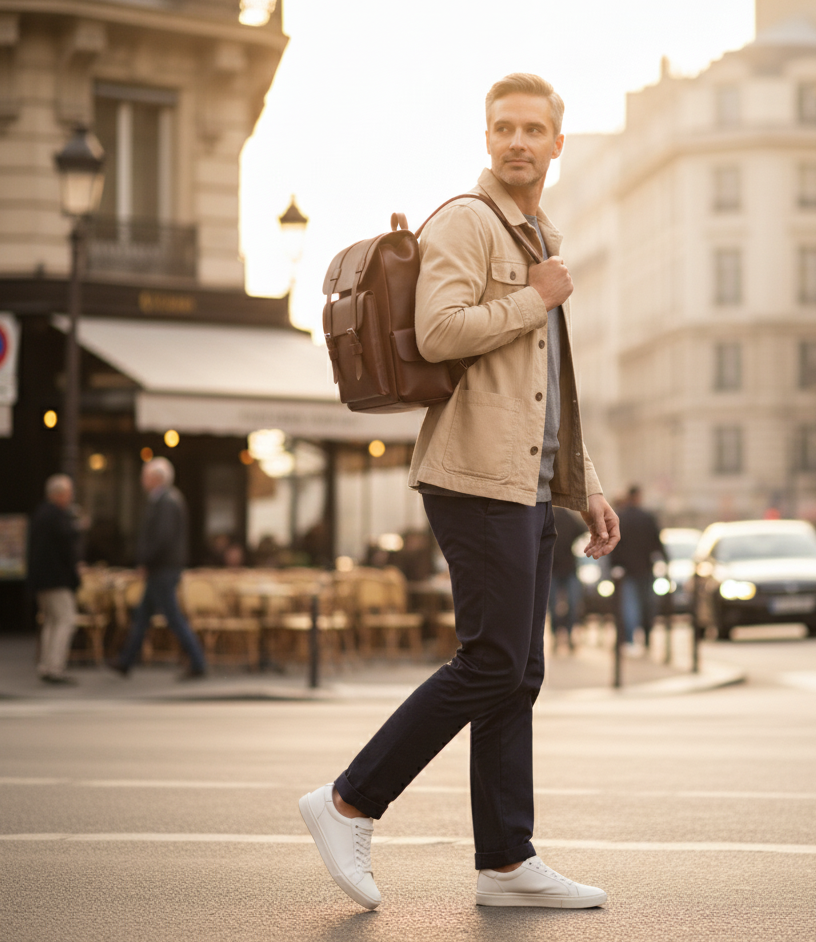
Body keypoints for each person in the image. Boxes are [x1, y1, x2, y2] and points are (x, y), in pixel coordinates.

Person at [298, 73, 620, 911]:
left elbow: (544, 388)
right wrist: (532, 299)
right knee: (492, 662)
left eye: (533, 129)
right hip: (474, 477)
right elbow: (439, 332)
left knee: (519, 673)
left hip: (524, 484)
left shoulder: (537, 234)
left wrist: (585, 486)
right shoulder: (469, 223)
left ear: (557, 142)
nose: (518, 141)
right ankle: (349, 801)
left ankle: (506, 864)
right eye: (503, 127)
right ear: (487, 138)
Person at [110, 457, 206, 680]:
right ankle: (126, 661)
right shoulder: (165, 500)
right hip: (162, 568)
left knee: (172, 617)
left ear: (157, 478)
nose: (142, 480)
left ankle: (198, 661)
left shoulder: (167, 501)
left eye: (146, 476)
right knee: (143, 616)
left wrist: (146, 561)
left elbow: (162, 538)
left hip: (163, 569)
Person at [28, 474, 80, 685]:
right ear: (59, 494)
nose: (71, 497)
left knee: (50, 621)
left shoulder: (41, 514)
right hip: (57, 579)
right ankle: (55, 667)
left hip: (42, 579)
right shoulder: (57, 516)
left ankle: (46, 665)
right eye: (68, 493)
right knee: (66, 620)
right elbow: (66, 547)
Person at [609, 485, 665, 649]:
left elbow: (615, 545)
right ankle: (646, 637)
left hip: (626, 569)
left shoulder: (621, 517)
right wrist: (663, 561)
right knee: (647, 604)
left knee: (629, 606)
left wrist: (615, 565)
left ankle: (630, 640)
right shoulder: (647, 517)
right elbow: (657, 542)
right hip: (645, 568)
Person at [550, 507, 587, 650]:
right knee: (570, 604)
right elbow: (582, 530)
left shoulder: (552, 517)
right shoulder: (568, 517)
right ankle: (563, 635)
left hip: (557, 567)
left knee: (557, 605)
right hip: (564, 567)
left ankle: (560, 635)